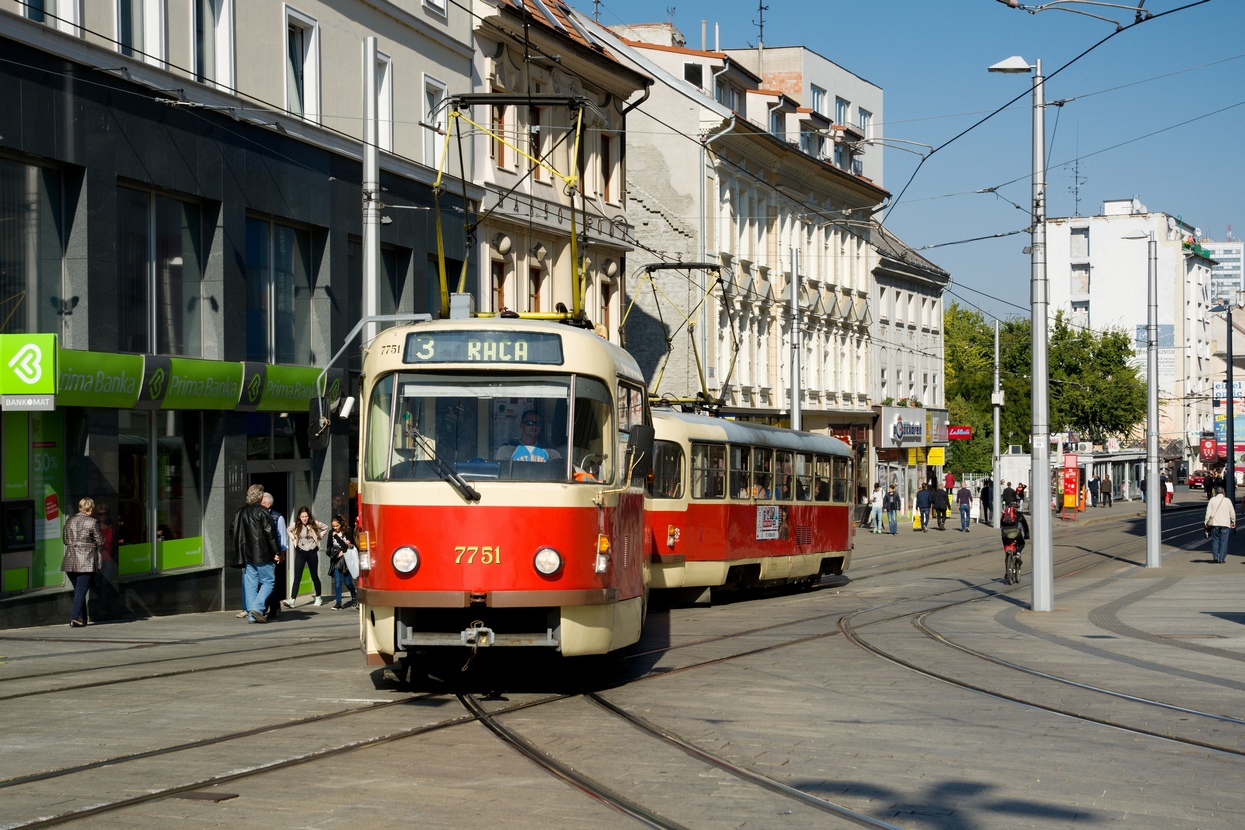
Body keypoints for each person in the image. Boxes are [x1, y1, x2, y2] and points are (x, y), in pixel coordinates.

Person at [232, 484, 281, 623]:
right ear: (260, 497)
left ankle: (251, 615)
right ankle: (257, 608)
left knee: (250, 585)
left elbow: (232, 531)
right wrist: (276, 551)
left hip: (246, 555)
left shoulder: (240, 512)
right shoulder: (262, 511)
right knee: (268, 581)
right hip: (263, 554)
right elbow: (270, 533)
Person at [61, 497, 104, 628]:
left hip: (70, 561)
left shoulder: (69, 520)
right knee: (81, 591)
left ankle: (83, 619)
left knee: (79, 591)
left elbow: (65, 540)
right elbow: (100, 541)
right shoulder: (93, 522)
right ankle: (74, 619)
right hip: (86, 561)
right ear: (90, 509)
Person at [284, 506, 328, 608]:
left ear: (309, 516)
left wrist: (319, 536)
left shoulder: (314, 524)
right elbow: (288, 530)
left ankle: (318, 597)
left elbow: (325, 527)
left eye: (306, 516)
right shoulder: (296, 525)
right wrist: (293, 537)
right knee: (297, 577)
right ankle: (292, 599)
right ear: (299, 517)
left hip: (312, 551)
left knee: (314, 576)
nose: (304, 518)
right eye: (302, 516)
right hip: (300, 552)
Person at [261, 492, 288, 618]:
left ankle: (274, 607)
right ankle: (263, 606)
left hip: (274, 554)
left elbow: (282, 537)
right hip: (262, 554)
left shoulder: (278, 517)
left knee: (272, 581)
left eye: (261, 502)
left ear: (267, 504)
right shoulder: (259, 515)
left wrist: (281, 553)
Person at [497, 409, 562, 463]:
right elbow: (502, 473)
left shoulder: (550, 450)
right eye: (530, 423)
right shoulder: (507, 449)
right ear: (521, 425)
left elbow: (558, 470)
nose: (534, 426)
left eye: (538, 423)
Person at [326, 514, 358, 609]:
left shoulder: (348, 531)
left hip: (346, 559)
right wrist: (336, 553)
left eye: (337, 526)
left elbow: (345, 546)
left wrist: (336, 537)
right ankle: (338, 603)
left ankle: (354, 596)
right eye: (333, 526)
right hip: (336, 559)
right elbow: (329, 547)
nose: (335, 528)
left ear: (341, 524)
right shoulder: (331, 532)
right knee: (337, 582)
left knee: (347, 582)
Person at [1204, 485, 1235, 564]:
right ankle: (1222, 558)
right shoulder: (1227, 500)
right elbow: (1232, 513)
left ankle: (1215, 557)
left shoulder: (1212, 500)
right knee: (1224, 541)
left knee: (1215, 540)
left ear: (1216, 492)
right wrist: (1233, 522)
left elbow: (1208, 512)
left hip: (1215, 523)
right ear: (1223, 492)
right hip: (1225, 524)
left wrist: (1206, 522)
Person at [1000, 498, 1030, 563]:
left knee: (1006, 546)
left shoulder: (1004, 514)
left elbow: (1001, 526)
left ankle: (1007, 569)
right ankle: (1018, 554)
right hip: (1016, 534)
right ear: (1017, 508)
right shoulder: (1019, 514)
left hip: (1005, 534)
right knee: (1022, 543)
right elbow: (1025, 525)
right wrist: (1026, 534)